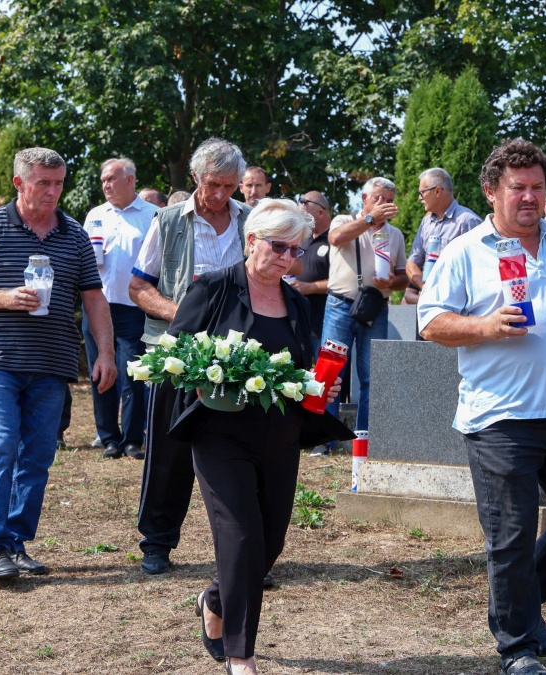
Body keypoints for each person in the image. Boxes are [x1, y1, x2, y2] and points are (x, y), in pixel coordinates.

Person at [417, 138, 546, 675]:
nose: (530, 197)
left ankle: (520, 608)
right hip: (500, 418)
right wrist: (485, 326)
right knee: (510, 536)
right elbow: (431, 322)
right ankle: (517, 648)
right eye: (518, 188)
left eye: (537, 187)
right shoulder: (467, 251)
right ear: (492, 192)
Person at [166, 199, 347, 675]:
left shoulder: (296, 302)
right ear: (251, 241)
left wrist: (321, 383)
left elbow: (302, 365)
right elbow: (176, 354)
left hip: (280, 433)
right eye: (279, 246)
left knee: (270, 542)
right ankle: (239, 654)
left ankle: (216, 598)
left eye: (297, 250)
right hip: (220, 432)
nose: (288, 258)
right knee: (242, 536)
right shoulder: (214, 288)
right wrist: (205, 376)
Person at [0, 147, 117, 580]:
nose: (53, 192)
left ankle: (17, 542)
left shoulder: (74, 234)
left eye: (59, 183)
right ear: (20, 183)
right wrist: (4, 298)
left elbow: (94, 297)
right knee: (1, 444)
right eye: (44, 183)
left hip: (53, 360)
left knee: (38, 453)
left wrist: (107, 353)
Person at [129, 138, 251, 575]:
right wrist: (183, 314)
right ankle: (156, 543)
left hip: (238, 357)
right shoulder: (166, 222)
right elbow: (139, 288)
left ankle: (246, 552)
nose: (220, 195)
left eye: (230, 186)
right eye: (213, 184)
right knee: (168, 451)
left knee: (239, 457)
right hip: (177, 353)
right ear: (196, 177)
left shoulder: (250, 223)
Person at [321, 177, 408, 445]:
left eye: (389, 201)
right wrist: (370, 219)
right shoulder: (344, 221)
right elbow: (336, 238)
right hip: (340, 304)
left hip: (376, 308)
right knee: (329, 371)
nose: (384, 205)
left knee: (372, 374)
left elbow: (404, 277)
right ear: (365, 199)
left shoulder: (395, 235)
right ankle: (325, 437)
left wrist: (392, 282)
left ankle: (364, 437)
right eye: (379, 198)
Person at [82, 158, 159, 460]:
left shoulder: (152, 215)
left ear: (130, 180)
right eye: (103, 180)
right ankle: (108, 438)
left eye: (112, 178)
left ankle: (132, 440)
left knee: (134, 374)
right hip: (98, 307)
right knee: (99, 372)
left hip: (134, 308)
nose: (106, 185)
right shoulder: (95, 215)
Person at [404, 167, 482, 304]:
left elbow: (481, 269)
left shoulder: (468, 221)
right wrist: (425, 288)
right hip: (429, 305)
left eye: (422, 192)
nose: (419, 198)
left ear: (438, 191)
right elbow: (412, 262)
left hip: (458, 307)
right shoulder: (426, 222)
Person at [292, 191, 332, 355]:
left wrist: (312, 287)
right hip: (301, 322)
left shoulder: (335, 239)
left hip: (325, 322)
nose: (300, 218)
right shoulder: (303, 239)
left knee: (323, 377)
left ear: (320, 212)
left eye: (304, 215)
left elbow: (344, 282)